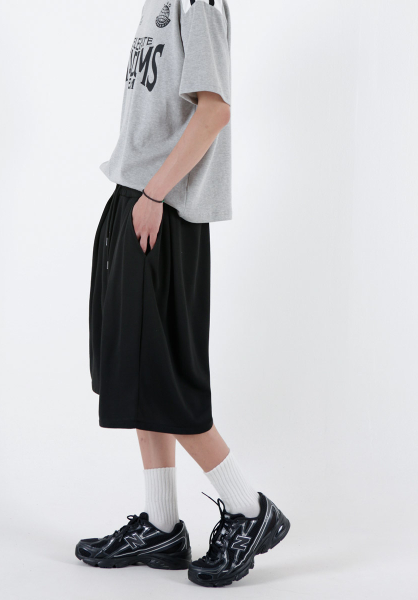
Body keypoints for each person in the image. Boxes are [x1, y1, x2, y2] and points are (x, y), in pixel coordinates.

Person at [76, 0, 290, 587]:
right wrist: (137, 196)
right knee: (138, 376)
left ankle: (249, 508)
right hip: (136, 199)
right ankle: (163, 525)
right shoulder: (157, 4)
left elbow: (214, 111)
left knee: (166, 376)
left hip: (163, 211)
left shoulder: (197, 6)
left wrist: (154, 194)